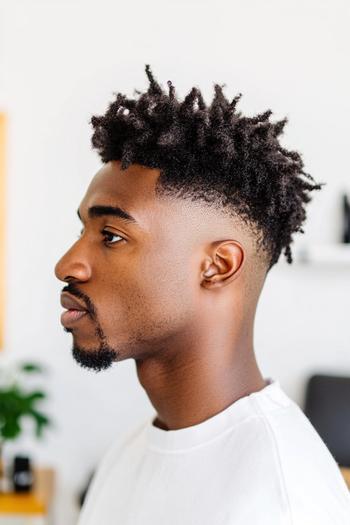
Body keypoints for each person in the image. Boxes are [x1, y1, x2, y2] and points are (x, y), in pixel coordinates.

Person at [54, 65, 350, 524]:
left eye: (111, 235)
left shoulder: (284, 505)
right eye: (82, 230)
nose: (67, 265)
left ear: (217, 267)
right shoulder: (130, 451)